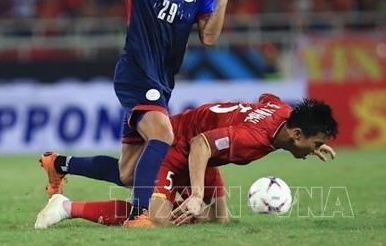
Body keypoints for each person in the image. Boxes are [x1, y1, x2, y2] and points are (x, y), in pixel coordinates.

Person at [39, 0, 245, 219]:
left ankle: (58, 164)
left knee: (128, 174)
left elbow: (208, 37)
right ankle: (140, 216)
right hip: (135, 74)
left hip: (161, 84)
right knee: (163, 133)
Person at [34, 94, 339, 229]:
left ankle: (59, 163)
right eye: (317, 143)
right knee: (153, 219)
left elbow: (267, 98)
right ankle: (66, 207)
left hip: (204, 154)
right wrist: (194, 196)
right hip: (179, 147)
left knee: (218, 219)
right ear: (297, 134)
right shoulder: (251, 138)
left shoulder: (282, 112)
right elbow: (200, 144)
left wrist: (309, 146)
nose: (317, 148)